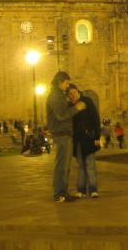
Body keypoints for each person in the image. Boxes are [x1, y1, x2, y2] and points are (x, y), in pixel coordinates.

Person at [46, 71, 86, 203]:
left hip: (65, 133)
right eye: (67, 83)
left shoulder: (60, 96)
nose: (68, 86)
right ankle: (58, 194)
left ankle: (63, 192)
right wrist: (76, 108)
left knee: (65, 166)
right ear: (60, 82)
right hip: (61, 134)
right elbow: (61, 115)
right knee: (61, 166)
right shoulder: (55, 96)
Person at [67, 84, 101, 198]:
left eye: (74, 92)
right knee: (81, 165)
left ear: (78, 91)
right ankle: (81, 190)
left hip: (89, 138)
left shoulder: (87, 101)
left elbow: (95, 119)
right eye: (70, 94)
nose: (72, 96)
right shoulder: (69, 106)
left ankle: (93, 189)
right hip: (77, 140)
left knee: (90, 165)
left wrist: (97, 137)